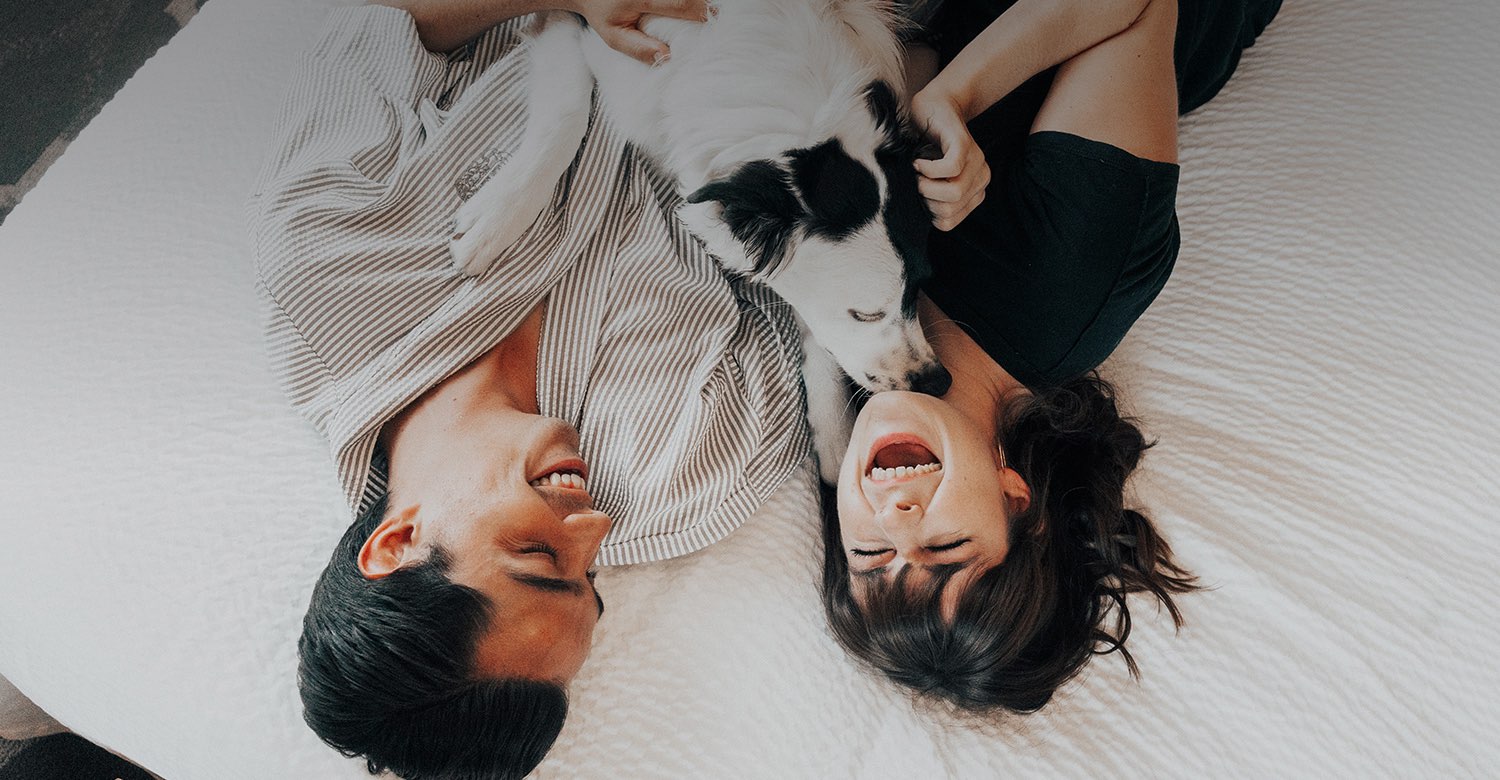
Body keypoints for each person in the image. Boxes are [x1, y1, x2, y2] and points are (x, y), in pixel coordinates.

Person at [248, 1, 811, 777]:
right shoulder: (691, 476)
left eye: (541, 556)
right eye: (591, 583)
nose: (595, 528)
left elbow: (388, 21)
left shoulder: (328, 266)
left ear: (397, 543)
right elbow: (824, 271)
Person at [821, 0, 1281, 713]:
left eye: (871, 555)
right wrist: (955, 95)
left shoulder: (837, 367)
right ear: (1016, 500)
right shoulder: (1069, 279)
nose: (897, 513)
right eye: (944, 548)